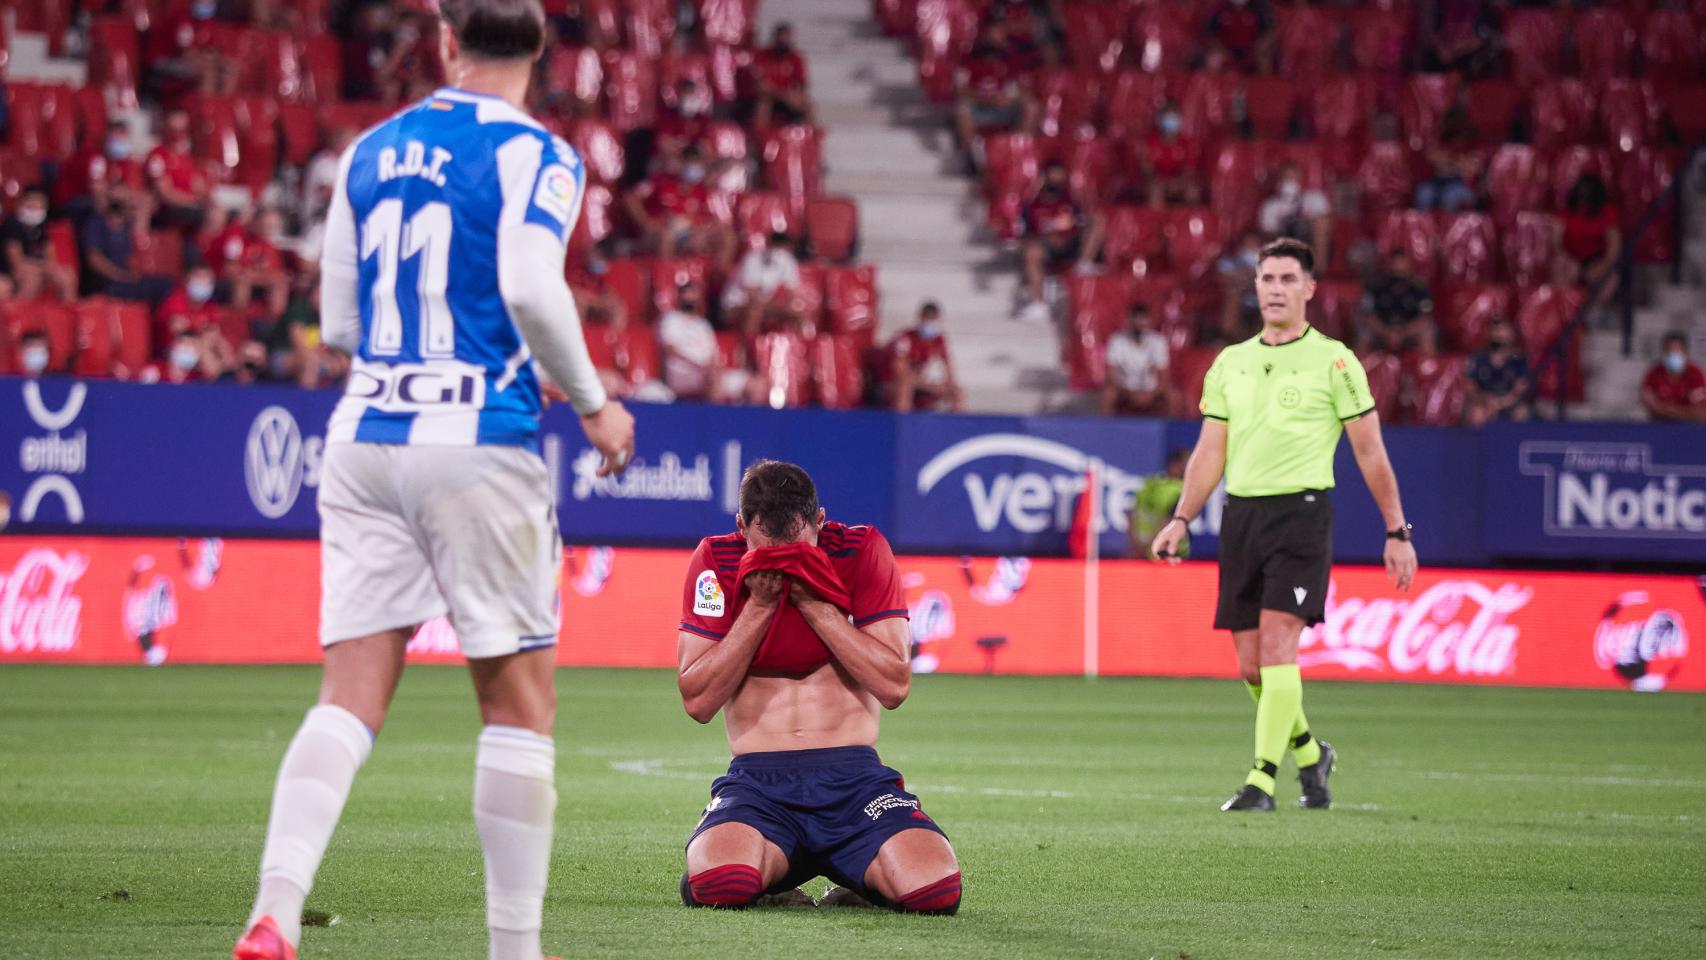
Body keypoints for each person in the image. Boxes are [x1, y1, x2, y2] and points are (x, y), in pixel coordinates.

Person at [233, 3, 636, 959]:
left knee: (349, 696)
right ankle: (514, 951)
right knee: (517, 704)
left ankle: (277, 905)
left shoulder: (369, 153)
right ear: (539, 52)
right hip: (479, 439)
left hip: (365, 434)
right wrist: (591, 402)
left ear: (447, 45)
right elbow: (535, 289)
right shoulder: (539, 155)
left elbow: (335, 324)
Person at [1151, 238, 1417, 813]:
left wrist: (1397, 532)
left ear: (1309, 289)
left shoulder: (1335, 360)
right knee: (1252, 667)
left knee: (1277, 648)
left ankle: (1261, 782)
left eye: (1286, 278)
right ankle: (1309, 753)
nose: (1274, 288)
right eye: (1266, 278)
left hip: (1302, 514)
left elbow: (1371, 452)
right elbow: (1208, 452)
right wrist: (1180, 518)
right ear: (1257, 287)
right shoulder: (1231, 362)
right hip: (1242, 517)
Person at [675, 460, 961, 914]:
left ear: (821, 521)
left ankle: (858, 881)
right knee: (722, 883)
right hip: (759, 787)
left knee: (934, 892)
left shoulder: (861, 551)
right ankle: (769, 872)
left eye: (797, 550)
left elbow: (894, 685)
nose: (784, 562)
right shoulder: (716, 560)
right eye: (769, 551)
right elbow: (697, 699)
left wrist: (816, 603)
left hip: (856, 785)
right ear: (740, 528)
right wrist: (760, 606)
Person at [1018, 160, 1104, 323]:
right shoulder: (1032, 205)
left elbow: (1082, 222)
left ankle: (1084, 265)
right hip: (1046, 247)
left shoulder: (1071, 202)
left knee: (1098, 219)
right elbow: (1025, 235)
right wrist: (1046, 239)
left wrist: (1068, 236)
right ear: (1044, 177)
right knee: (1031, 252)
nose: (1057, 178)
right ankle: (1038, 303)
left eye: (1060, 175)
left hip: (1071, 244)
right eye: (1053, 174)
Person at [1, 190, 77, 301]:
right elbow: (16, 261)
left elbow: (51, 257)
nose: (35, 209)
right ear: (21, 204)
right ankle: (19, 315)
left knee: (67, 276)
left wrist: (47, 269)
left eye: (39, 206)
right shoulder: (12, 223)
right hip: (13, 270)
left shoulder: (41, 227)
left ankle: (68, 314)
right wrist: (42, 268)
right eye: (31, 205)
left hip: (38, 268)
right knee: (31, 279)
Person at [889, 301, 963, 413]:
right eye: (927, 319)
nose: (930, 323)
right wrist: (927, 384)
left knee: (956, 391)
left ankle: (957, 426)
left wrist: (948, 382)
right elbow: (900, 371)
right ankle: (903, 423)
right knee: (905, 386)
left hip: (920, 382)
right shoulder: (905, 338)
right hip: (895, 382)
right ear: (920, 318)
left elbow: (948, 366)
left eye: (933, 319)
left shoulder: (939, 340)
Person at [1361, 247, 1436, 353]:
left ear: (1409, 265)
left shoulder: (1419, 287)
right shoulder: (1376, 286)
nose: (1398, 267)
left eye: (1401, 263)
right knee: (1365, 332)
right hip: (1383, 330)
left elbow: (1425, 318)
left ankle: (1427, 368)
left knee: (1427, 332)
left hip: (1409, 330)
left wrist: (1402, 333)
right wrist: (1387, 332)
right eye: (1395, 263)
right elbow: (1367, 315)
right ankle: (1357, 367)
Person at [1101, 303, 1171, 415]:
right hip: (1124, 388)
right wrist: (1129, 393)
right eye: (1135, 318)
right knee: (1108, 394)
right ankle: (1105, 430)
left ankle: (1174, 431)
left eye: (1142, 319)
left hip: (1151, 389)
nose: (1138, 323)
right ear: (1128, 321)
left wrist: (1151, 394)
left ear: (1149, 321)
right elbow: (1111, 377)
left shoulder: (1158, 341)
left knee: (1173, 396)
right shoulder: (1116, 341)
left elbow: (1163, 377)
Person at [658, 279, 720, 402]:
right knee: (712, 380)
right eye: (687, 293)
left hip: (705, 372)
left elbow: (713, 353)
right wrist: (698, 366)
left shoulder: (703, 325)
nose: (690, 297)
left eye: (694, 294)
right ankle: (711, 418)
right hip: (681, 373)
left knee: (756, 384)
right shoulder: (671, 319)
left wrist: (714, 368)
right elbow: (670, 350)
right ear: (680, 296)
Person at [1463, 320, 1531, 427]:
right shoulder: (1478, 357)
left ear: (1512, 334)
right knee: (1477, 414)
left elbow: (1520, 389)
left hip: (1507, 401)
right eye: (1497, 330)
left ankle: (1513, 442)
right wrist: (1484, 401)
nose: (1500, 334)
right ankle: (1478, 443)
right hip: (1483, 401)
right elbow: (1469, 386)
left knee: (1521, 413)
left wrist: (1499, 403)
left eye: (1504, 330)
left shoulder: (1519, 359)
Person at [1257, 163, 1331, 258]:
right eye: (1287, 177)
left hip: (1309, 241)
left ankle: (1317, 269)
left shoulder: (1314, 198)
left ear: (1300, 178)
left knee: (1320, 226)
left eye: (1293, 176)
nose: (1290, 180)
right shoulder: (1271, 205)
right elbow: (1268, 232)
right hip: (1284, 241)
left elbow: (1326, 224)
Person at [1130, 448, 1190, 560]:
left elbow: (1131, 515)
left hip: (1141, 552)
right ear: (1175, 465)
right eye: (1187, 463)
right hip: (1169, 552)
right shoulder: (1181, 489)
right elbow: (1168, 521)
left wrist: (1135, 546)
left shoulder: (1150, 483)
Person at [750, 22, 812, 130]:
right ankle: (761, 136)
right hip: (769, 98)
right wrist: (781, 95)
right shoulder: (762, 56)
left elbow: (800, 84)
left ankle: (810, 139)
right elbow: (761, 85)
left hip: (788, 97)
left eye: (786, 38)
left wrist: (793, 94)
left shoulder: (796, 58)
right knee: (763, 104)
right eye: (781, 38)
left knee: (807, 106)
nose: (783, 41)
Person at [1640, 332, 1706, 423]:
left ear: (1685, 352)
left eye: (1676, 351)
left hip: (1691, 428)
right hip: (1661, 427)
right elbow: (1650, 405)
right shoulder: (1654, 373)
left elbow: (1700, 412)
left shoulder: (1695, 374)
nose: (1673, 355)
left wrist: (1673, 411)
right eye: (1669, 351)